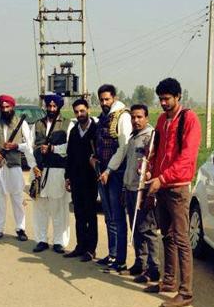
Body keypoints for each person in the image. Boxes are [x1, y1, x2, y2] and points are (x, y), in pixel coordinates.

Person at [145, 78, 201, 307]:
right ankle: (168, 282)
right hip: (161, 186)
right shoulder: (161, 120)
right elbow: (156, 151)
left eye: (167, 98)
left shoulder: (189, 119)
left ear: (178, 96)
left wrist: (163, 178)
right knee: (165, 235)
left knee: (181, 239)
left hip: (177, 187)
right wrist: (149, 170)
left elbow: (187, 157)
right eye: (161, 99)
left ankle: (185, 292)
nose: (163, 103)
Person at [91, 84, 132, 271]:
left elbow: (123, 148)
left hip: (115, 173)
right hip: (103, 172)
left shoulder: (123, 116)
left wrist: (109, 170)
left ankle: (120, 259)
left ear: (114, 98)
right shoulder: (103, 117)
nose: (104, 103)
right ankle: (112, 253)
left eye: (107, 99)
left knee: (117, 216)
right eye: (101, 100)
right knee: (108, 216)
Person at [0, 94, 35, 243]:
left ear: (13, 107)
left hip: (14, 165)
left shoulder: (22, 123)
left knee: (17, 198)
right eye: (3, 107)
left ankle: (20, 228)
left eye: (8, 107)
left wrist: (16, 146)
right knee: (0, 199)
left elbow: (29, 145)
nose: (5, 109)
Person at [123, 104, 161, 283]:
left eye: (139, 117)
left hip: (143, 191)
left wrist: (149, 173)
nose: (135, 120)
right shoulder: (133, 137)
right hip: (130, 188)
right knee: (136, 228)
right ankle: (140, 263)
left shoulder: (150, 138)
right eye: (133, 117)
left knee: (148, 230)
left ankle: (154, 268)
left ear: (146, 117)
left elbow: (154, 162)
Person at [31, 93, 72, 254]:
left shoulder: (67, 124)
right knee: (40, 207)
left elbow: (69, 147)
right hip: (40, 170)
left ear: (59, 107)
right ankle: (41, 239)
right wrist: (33, 165)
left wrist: (53, 149)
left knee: (58, 207)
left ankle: (59, 241)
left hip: (57, 170)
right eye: (49, 106)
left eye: (55, 106)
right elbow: (29, 146)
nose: (52, 109)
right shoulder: (37, 124)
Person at [64, 98, 99, 262]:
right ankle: (80, 246)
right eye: (77, 112)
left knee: (90, 215)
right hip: (76, 179)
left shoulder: (96, 130)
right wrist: (67, 177)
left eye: (82, 111)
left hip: (91, 180)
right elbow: (70, 156)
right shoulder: (74, 131)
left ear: (88, 110)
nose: (79, 114)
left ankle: (91, 249)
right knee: (79, 214)